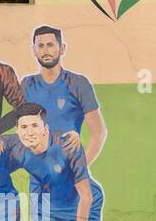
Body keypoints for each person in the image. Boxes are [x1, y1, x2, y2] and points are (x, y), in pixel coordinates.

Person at [19, 25, 107, 165]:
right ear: (34, 50)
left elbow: (99, 133)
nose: (45, 51)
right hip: (40, 176)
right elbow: (21, 130)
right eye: (40, 46)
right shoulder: (27, 84)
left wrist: (80, 170)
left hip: (70, 170)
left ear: (62, 48)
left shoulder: (78, 83)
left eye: (50, 45)